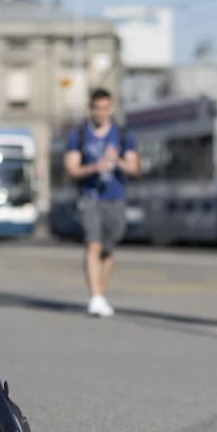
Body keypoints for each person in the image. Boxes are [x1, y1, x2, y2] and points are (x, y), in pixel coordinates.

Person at [63, 88, 141, 317]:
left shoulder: (123, 134)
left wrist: (115, 159)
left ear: (111, 108)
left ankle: (101, 295)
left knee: (108, 248)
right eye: (97, 109)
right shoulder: (79, 135)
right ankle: (95, 297)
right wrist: (94, 167)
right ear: (91, 109)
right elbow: (71, 169)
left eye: (105, 108)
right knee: (93, 245)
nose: (101, 113)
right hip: (90, 198)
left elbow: (135, 168)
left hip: (115, 198)